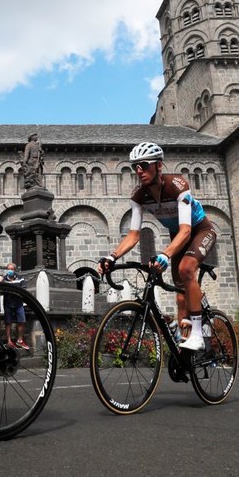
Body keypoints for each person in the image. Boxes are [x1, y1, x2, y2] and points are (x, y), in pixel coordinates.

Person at [98, 142, 216, 351]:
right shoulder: (139, 196)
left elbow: (187, 231)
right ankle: (185, 345)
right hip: (177, 235)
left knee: (186, 269)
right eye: (135, 166)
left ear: (159, 166)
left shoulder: (177, 185)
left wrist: (165, 254)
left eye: (144, 165)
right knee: (180, 297)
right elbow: (134, 235)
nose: (139, 170)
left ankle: (198, 334)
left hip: (199, 230)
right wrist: (112, 257)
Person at [2, 262, 29, 349]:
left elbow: (24, 289)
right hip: (8, 303)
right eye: (9, 269)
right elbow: (1, 290)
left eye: (12, 269)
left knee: (22, 321)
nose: (10, 271)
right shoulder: (4, 279)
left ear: (15, 270)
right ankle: (9, 341)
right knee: (8, 322)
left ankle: (20, 340)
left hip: (18, 303)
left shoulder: (20, 278)